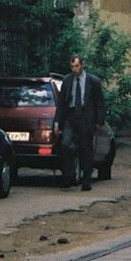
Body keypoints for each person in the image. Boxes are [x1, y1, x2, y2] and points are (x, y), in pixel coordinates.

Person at [54, 54, 106, 191]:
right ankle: (68, 176)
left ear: (82, 65)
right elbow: (61, 103)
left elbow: (100, 102)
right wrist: (57, 122)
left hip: (85, 116)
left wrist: (99, 120)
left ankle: (86, 180)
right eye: (72, 67)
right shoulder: (67, 80)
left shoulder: (93, 81)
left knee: (86, 148)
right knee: (65, 145)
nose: (74, 69)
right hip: (70, 116)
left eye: (76, 66)